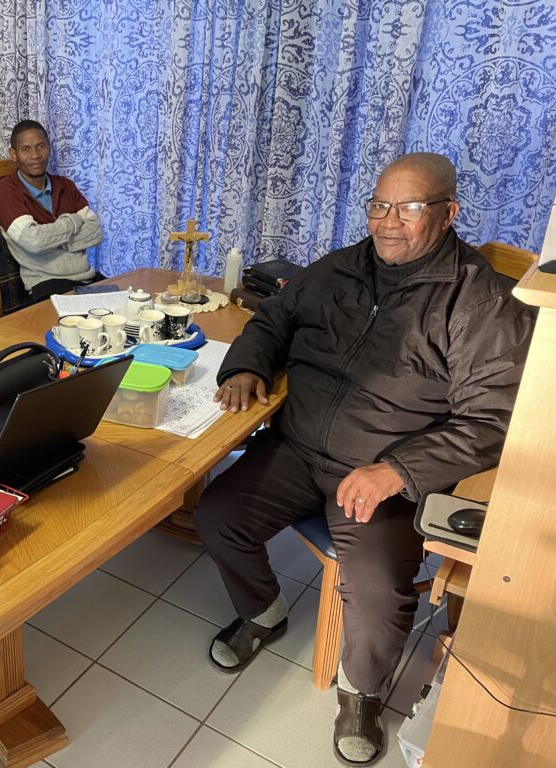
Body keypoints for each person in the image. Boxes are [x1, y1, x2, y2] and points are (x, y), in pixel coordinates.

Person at [192, 153, 534, 766]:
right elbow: (273, 317)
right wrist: (246, 364)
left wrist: (398, 471)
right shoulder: (342, 267)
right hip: (298, 448)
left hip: (388, 473)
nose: (388, 223)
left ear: (449, 213)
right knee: (217, 514)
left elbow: (495, 419)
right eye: (379, 206)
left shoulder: (479, 300)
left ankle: (362, 695)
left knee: (376, 590)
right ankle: (264, 613)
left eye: (409, 208)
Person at [0, 119, 105, 303]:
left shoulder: (66, 186)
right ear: (13, 154)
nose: (35, 155)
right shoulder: (6, 191)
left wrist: (54, 240)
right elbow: (35, 242)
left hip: (88, 279)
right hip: (47, 285)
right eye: (26, 149)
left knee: (131, 314)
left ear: (49, 148)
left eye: (40, 146)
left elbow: (95, 232)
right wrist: (72, 221)